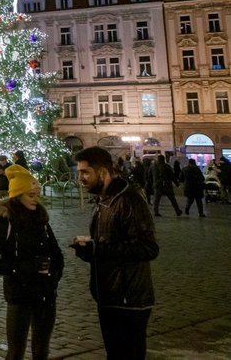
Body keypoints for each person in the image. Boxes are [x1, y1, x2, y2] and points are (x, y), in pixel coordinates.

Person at [71, 146, 158, 360]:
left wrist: (97, 249)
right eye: (79, 172)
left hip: (129, 299)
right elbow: (108, 243)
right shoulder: (103, 200)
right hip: (109, 294)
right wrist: (89, 250)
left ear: (102, 172)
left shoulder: (128, 200)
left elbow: (148, 247)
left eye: (85, 172)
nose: (80, 178)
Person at [0, 164, 63, 360]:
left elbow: (55, 251)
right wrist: (24, 268)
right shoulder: (4, 221)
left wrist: (56, 272)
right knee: (16, 351)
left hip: (45, 292)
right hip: (20, 293)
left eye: (37, 194)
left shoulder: (41, 218)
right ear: (18, 195)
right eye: (31, 195)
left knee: (42, 350)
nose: (36, 199)